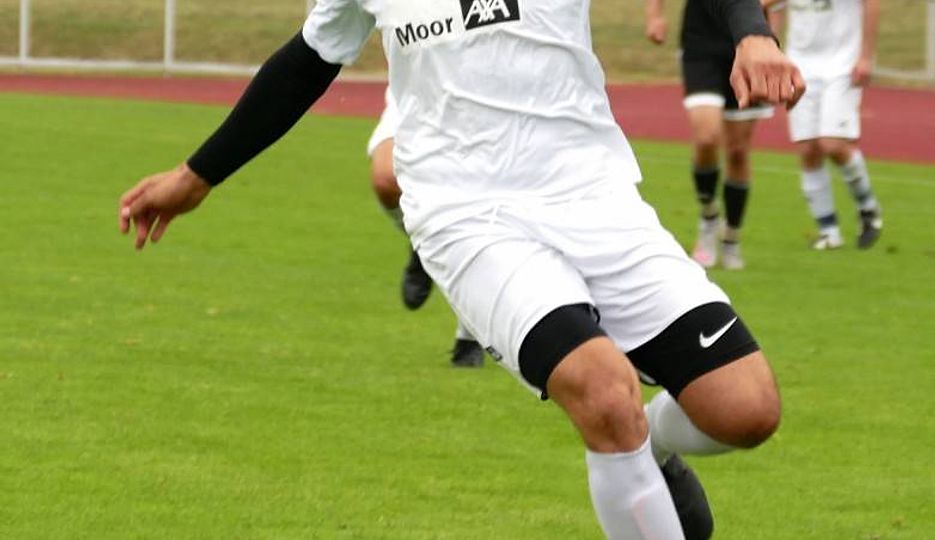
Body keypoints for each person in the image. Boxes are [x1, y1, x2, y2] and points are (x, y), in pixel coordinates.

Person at [118, 1, 804, 538]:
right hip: (466, 214)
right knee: (602, 393)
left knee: (746, 410)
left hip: (594, 195)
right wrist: (197, 175)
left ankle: (646, 446)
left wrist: (752, 33)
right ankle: (628, 442)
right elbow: (308, 60)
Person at [646, 0, 778, 270]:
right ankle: (708, 217)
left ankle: (731, 237)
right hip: (700, 41)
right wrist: (655, 15)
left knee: (738, 152)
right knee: (706, 138)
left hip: (748, 40)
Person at [367, 87, 485, 367]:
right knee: (386, 180)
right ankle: (423, 239)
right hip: (417, 90)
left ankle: (468, 336)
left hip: (486, 104)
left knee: (475, 206)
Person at [771, 0, 883, 249]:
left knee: (832, 144)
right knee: (808, 148)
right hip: (800, 63)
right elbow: (771, 7)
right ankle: (828, 232)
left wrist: (866, 56)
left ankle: (868, 207)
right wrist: (773, 54)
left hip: (842, 63)